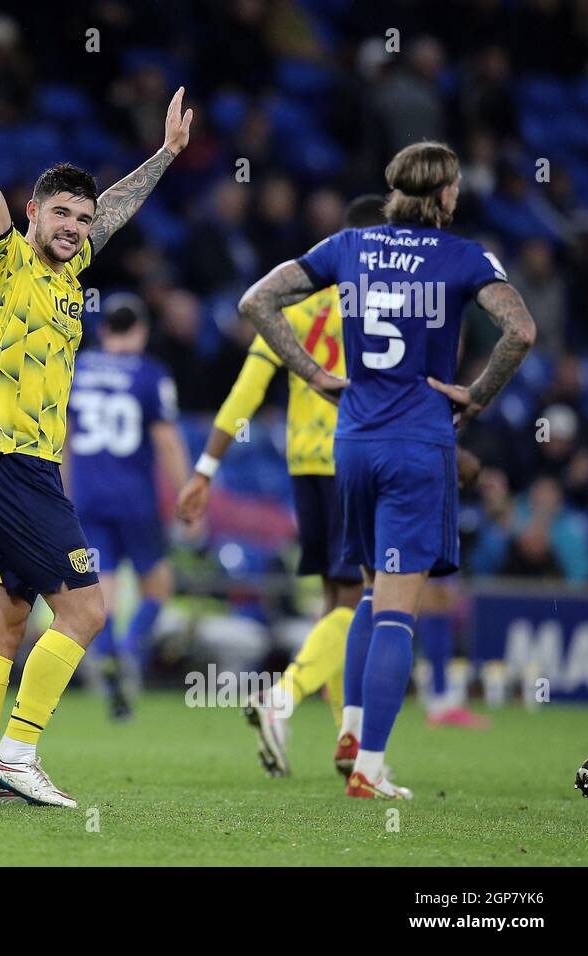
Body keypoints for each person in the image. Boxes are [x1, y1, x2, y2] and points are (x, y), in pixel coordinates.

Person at [238, 141, 535, 799]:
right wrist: (477, 395)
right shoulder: (464, 256)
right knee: (401, 611)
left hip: (352, 444)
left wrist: (315, 374)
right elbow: (522, 331)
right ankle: (370, 767)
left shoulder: (350, 246)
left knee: (370, 594)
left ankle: (350, 731)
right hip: (416, 447)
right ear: (447, 192)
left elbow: (256, 301)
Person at [0, 49, 192, 806]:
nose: (77, 227)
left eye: (83, 220)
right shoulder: (4, 263)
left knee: (3, 625)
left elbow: (114, 208)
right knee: (86, 609)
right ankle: (18, 755)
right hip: (15, 465)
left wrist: (167, 155)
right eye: (62, 214)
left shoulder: (69, 274)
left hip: (11, 467)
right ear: (33, 215)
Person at [177, 195, 387, 776]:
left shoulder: (291, 300)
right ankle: (283, 700)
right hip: (358, 459)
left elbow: (246, 391)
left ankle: (349, 738)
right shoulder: (383, 302)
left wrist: (205, 470)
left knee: (334, 603)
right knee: (365, 599)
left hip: (305, 466)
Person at [65, 293, 189, 721]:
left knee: (105, 596)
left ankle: (112, 654)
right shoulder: (150, 374)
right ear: (140, 331)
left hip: (88, 498)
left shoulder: (76, 369)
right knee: (158, 587)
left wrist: (63, 496)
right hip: (136, 500)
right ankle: (131, 649)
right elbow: (167, 441)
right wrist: (188, 496)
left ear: (102, 331)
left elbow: (61, 440)